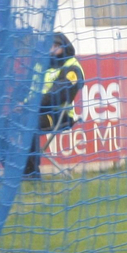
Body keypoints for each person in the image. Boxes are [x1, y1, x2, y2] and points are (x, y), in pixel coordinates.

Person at [24, 32, 84, 179]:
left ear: (65, 48)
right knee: (2, 125)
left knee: (28, 124)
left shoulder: (72, 67)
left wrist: (30, 107)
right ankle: (18, 171)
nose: (52, 50)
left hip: (57, 114)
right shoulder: (39, 66)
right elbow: (24, 90)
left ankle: (31, 174)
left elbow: (56, 96)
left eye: (56, 47)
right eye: (49, 46)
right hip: (30, 110)